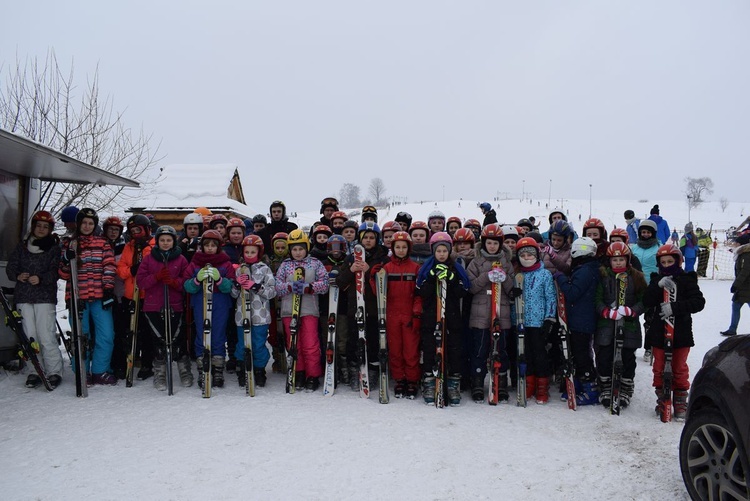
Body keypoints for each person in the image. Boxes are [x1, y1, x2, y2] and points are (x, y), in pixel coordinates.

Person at [643, 244, 705, 420]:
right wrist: (658, 287)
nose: (667, 265)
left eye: (670, 261)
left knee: (678, 367)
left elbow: (698, 302)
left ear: (678, 261)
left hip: (681, 333)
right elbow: (647, 300)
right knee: (659, 367)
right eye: (663, 262)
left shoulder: (687, 280)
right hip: (659, 332)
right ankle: (662, 397)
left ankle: (679, 400)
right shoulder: (657, 279)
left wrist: (675, 307)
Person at [59, 208, 118, 385]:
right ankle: (82, 371)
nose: (87, 226)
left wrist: (108, 288)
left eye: (91, 223)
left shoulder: (103, 243)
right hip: (78, 298)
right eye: (84, 222)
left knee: (106, 334)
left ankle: (100, 370)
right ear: (78, 223)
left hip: (100, 297)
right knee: (81, 336)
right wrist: (66, 260)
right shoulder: (70, 244)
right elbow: (62, 274)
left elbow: (109, 265)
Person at [6, 211, 62, 389]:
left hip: (44, 297)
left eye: (45, 227)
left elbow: (56, 271)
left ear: (50, 229)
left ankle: (54, 371)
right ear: (34, 227)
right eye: (39, 226)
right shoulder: (22, 246)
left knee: (46, 335)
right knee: (29, 337)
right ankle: (34, 370)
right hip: (24, 296)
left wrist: (41, 278)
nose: (41, 229)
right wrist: (17, 275)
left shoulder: (54, 248)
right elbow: (11, 267)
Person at [416, 232, 471, 406]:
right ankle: (430, 384)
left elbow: (463, 291)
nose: (441, 254)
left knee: (454, 351)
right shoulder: (426, 268)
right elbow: (421, 292)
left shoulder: (456, 267)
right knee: (431, 349)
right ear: (433, 251)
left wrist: (452, 279)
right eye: (438, 251)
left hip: (452, 317)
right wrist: (432, 277)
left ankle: (453, 384)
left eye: (444, 251)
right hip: (431, 317)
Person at [136, 226, 192, 390]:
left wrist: (175, 283)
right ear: (157, 241)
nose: (165, 243)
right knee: (159, 341)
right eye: (162, 240)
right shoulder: (148, 259)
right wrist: (157, 277)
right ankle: (159, 373)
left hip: (175, 305)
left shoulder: (181, 259)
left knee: (178, 339)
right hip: (154, 305)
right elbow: (141, 282)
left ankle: (184, 370)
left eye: (168, 240)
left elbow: (186, 280)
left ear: (174, 241)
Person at [337, 222, 390, 391]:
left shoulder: (383, 257)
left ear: (377, 239)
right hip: (355, 307)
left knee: (374, 342)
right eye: (365, 237)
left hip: (375, 308)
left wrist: (369, 272)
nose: (368, 241)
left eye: (371, 238)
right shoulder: (351, 257)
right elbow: (339, 282)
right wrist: (351, 270)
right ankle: (355, 371)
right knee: (354, 341)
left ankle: (373, 372)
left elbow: (385, 281)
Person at [274, 229, 329, 391]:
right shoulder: (285, 265)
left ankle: (312, 375)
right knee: (293, 345)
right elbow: (277, 287)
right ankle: (298, 372)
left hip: (309, 309)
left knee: (310, 344)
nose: (298, 253)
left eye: (301, 249)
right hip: (288, 310)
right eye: (294, 249)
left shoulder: (315, 263)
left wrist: (310, 287)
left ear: (307, 247)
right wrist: (289, 286)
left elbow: (325, 284)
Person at [595, 242, 647, 409]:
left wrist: (632, 311)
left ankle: (625, 387)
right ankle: (605, 386)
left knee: (627, 358)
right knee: (604, 356)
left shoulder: (636, 277)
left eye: (621, 260)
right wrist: (606, 311)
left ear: (628, 260)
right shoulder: (603, 276)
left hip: (629, 325)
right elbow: (597, 299)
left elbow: (643, 300)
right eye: (615, 260)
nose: (618, 263)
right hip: (607, 325)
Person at [466, 224, 515, 402]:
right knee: (480, 350)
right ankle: (478, 383)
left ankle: (501, 383)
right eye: (489, 243)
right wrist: (486, 275)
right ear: (483, 244)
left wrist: (505, 278)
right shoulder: (476, 262)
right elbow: (470, 287)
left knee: (500, 349)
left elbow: (513, 290)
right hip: (480, 313)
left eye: (495, 243)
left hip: (500, 312)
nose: (492, 246)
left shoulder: (506, 262)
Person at [182, 229, 236, 389]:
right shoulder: (195, 262)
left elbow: (231, 287)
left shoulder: (225, 263)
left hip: (220, 303)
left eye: (213, 245)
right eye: (207, 245)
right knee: (202, 333)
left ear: (219, 246)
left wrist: (220, 280)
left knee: (218, 334)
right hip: (200, 302)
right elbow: (186, 285)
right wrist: (196, 281)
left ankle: (218, 368)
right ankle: (202, 367)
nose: (210, 248)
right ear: (202, 246)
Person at [371, 231, 422, 399]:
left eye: (404, 247)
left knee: (411, 351)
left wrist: (416, 314)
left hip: (409, 315)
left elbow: (419, 294)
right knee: (395, 350)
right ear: (393, 248)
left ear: (409, 248)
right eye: (397, 247)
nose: (401, 250)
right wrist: (374, 277)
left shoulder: (415, 268)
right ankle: (399, 379)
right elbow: (378, 292)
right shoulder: (387, 268)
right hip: (391, 315)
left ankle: (412, 381)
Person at [555, 237, 601, 405]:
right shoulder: (588, 268)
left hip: (581, 320)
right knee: (578, 353)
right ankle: (580, 385)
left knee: (582, 355)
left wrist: (560, 279)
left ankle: (591, 389)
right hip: (580, 319)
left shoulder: (585, 271)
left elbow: (573, 292)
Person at [512, 237, 557, 404]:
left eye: (530, 254)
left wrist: (549, 319)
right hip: (522, 321)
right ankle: (529, 385)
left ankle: (542, 387)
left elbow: (550, 297)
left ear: (537, 255)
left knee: (540, 355)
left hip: (538, 323)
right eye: (523, 254)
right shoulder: (518, 275)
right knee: (525, 355)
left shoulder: (544, 274)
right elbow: (513, 301)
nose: (526, 257)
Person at [233, 235, 276, 388]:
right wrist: (237, 286)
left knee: (258, 344)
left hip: (260, 315)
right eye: (247, 252)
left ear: (259, 252)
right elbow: (233, 294)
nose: (249, 255)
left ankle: (259, 370)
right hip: (242, 315)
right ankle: (243, 369)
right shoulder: (239, 270)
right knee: (242, 344)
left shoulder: (265, 269)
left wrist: (256, 286)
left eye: (253, 252)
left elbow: (272, 292)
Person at [117, 214, 155, 380]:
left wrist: (144, 269)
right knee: (130, 331)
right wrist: (132, 270)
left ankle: (147, 364)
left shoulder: (153, 246)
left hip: (147, 296)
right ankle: (129, 361)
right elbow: (121, 269)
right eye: (133, 231)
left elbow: (155, 268)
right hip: (130, 295)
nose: (136, 233)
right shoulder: (129, 247)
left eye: (138, 230)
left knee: (147, 332)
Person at [720, 231, 750, 336]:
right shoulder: (741, 254)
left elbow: (744, 272)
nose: (734, 244)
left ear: (741, 244)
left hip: (745, 287)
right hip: (743, 287)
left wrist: (736, 284)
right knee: (736, 306)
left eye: (736, 243)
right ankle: (732, 329)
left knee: (736, 306)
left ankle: (732, 329)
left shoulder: (746, 255)